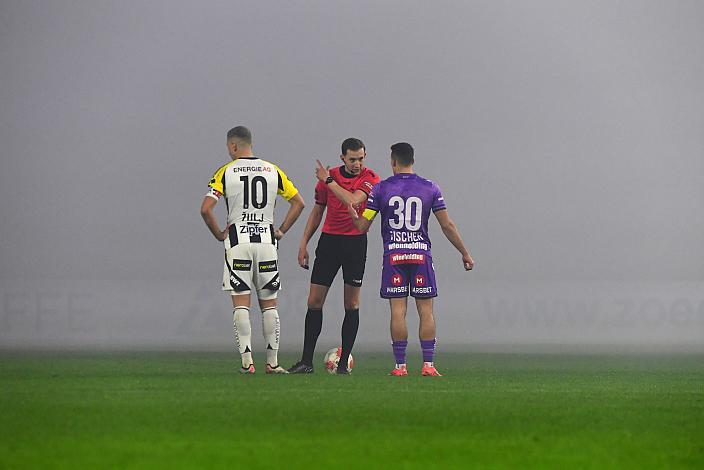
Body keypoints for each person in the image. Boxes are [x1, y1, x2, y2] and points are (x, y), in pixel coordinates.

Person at [348, 142, 474, 376]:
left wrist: (354, 216)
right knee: (426, 311)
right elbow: (447, 224)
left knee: (398, 311)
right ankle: (428, 365)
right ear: (412, 161)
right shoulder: (430, 188)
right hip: (420, 255)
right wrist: (464, 252)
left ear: (393, 161)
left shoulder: (380, 189)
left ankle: (400, 366)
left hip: (394, 256)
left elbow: (363, 226)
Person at [200, 126, 305, 374]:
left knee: (241, 305)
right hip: (267, 242)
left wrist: (218, 234)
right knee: (269, 305)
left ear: (234, 146)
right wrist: (281, 230)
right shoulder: (272, 170)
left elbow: (206, 208)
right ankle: (273, 363)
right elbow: (299, 203)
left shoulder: (225, 172)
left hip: (239, 242)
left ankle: (247, 364)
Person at [288, 138, 381, 374]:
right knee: (314, 302)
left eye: (361, 158)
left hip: (355, 244)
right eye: (352, 159)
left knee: (351, 304)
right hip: (329, 242)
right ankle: (306, 361)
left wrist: (327, 179)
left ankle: (343, 364)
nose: (357, 163)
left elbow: (352, 199)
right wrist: (303, 243)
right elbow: (318, 210)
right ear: (343, 158)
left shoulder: (370, 178)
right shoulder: (328, 179)